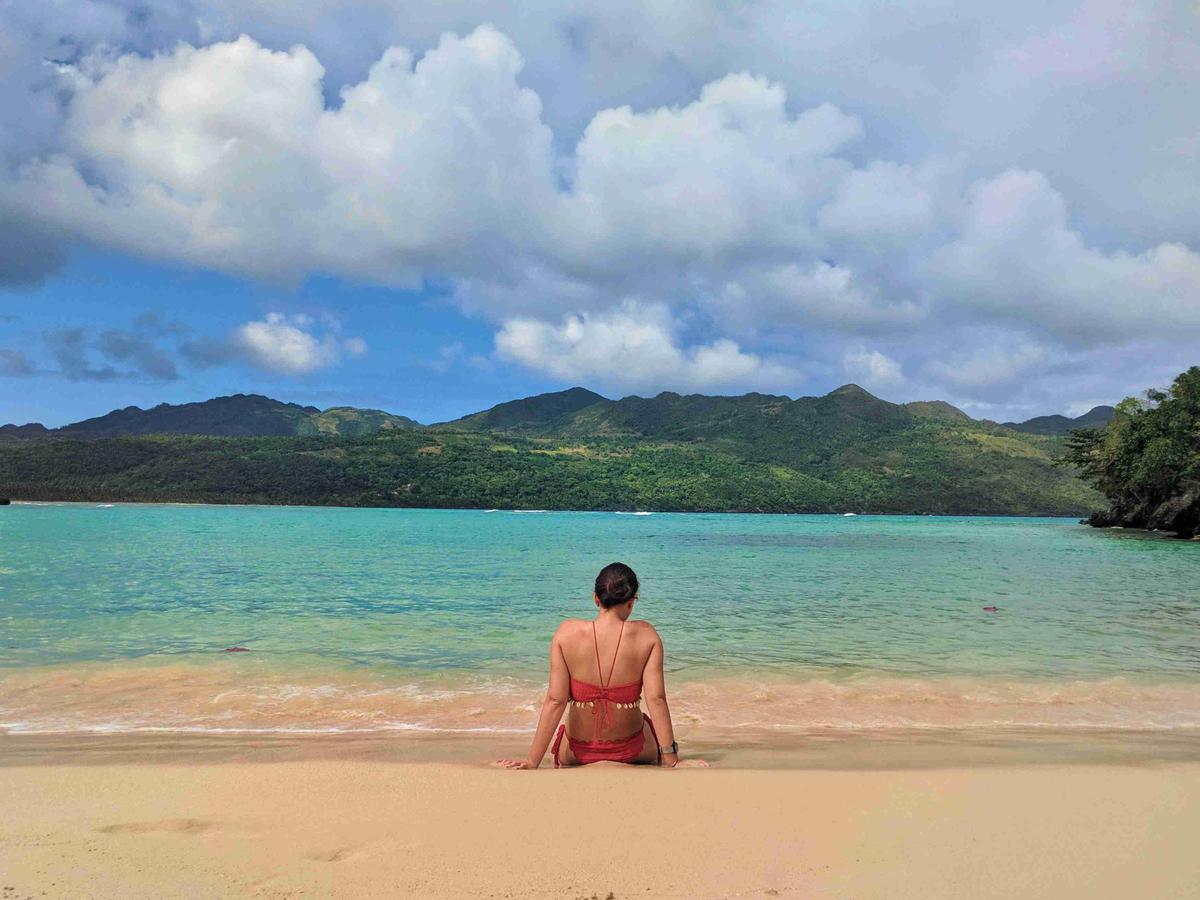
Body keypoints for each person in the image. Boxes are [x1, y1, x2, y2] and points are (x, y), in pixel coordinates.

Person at [497, 562, 706, 769]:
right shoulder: (646, 636)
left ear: (596, 598)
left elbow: (555, 701)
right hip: (636, 750)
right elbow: (656, 699)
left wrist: (532, 761)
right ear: (631, 602)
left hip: (574, 752)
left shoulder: (566, 634)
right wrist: (672, 760)